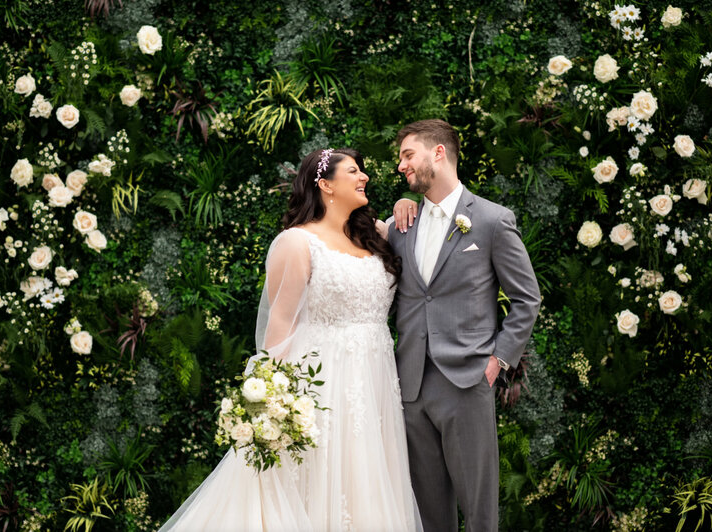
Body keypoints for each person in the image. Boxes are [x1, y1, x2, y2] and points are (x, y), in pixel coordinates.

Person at [159, 148, 421, 532]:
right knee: (316, 486)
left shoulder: (376, 235)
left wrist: (405, 201)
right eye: (354, 171)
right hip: (322, 385)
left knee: (369, 482)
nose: (364, 177)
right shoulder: (298, 243)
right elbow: (278, 328)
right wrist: (269, 402)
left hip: (375, 383)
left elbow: (421, 230)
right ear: (326, 185)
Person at [387, 119, 541, 532]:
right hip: (412, 385)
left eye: (407, 155)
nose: (401, 166)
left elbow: (527, 298)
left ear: (438, 153)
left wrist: (498, 360)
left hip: (468, 381)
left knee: (479, 511)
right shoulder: (402, 224)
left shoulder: (492, 221)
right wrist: (400, 205)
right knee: (428, 512)